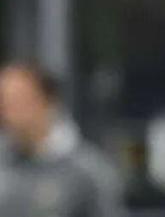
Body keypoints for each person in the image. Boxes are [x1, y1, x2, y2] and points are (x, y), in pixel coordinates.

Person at [0, 63, 126, 217]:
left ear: (48, 101)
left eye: (17, 100)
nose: (7, 112)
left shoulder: (89, 171)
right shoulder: (4, 163)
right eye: (3, 102)